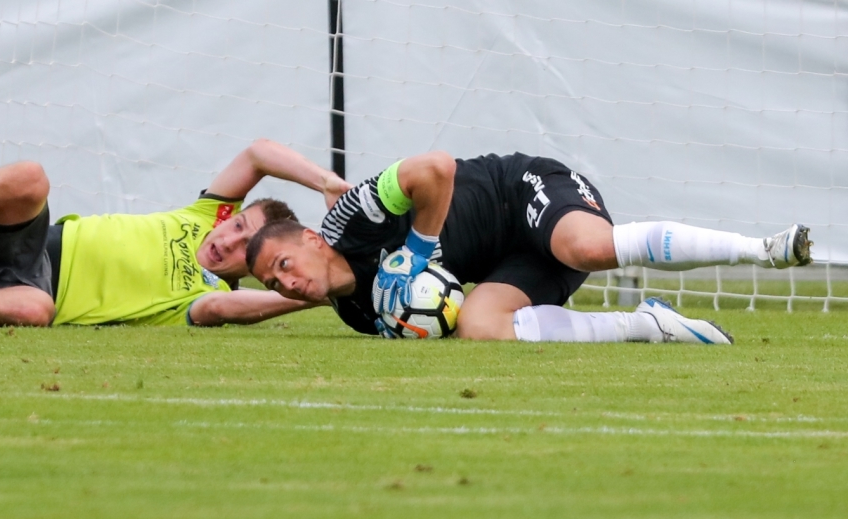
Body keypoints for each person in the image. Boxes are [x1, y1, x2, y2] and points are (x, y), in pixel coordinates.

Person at [245, 150, 813, 343]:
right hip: (514, 264)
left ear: (314, 239)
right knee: (478, 327)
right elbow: (432, 322)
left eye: (283, 265)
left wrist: (418, 250)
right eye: (274, 283)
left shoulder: (350, 217)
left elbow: (435, 168)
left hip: (521, 192)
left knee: (584, 247)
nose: (286, 283)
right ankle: (646, 325)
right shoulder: (355, 313)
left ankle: (762, 249)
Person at [0, 139, 348, 327]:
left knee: (36, 312)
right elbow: (258, 153)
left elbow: (221, 310)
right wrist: (325, 179)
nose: (227, 242)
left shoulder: (209, 296)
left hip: (13, 294)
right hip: (19, 244)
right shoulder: (205, 216)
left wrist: (317, 295)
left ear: (254, 274)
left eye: (242, 251)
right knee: (31, 177)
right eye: (237, 226)